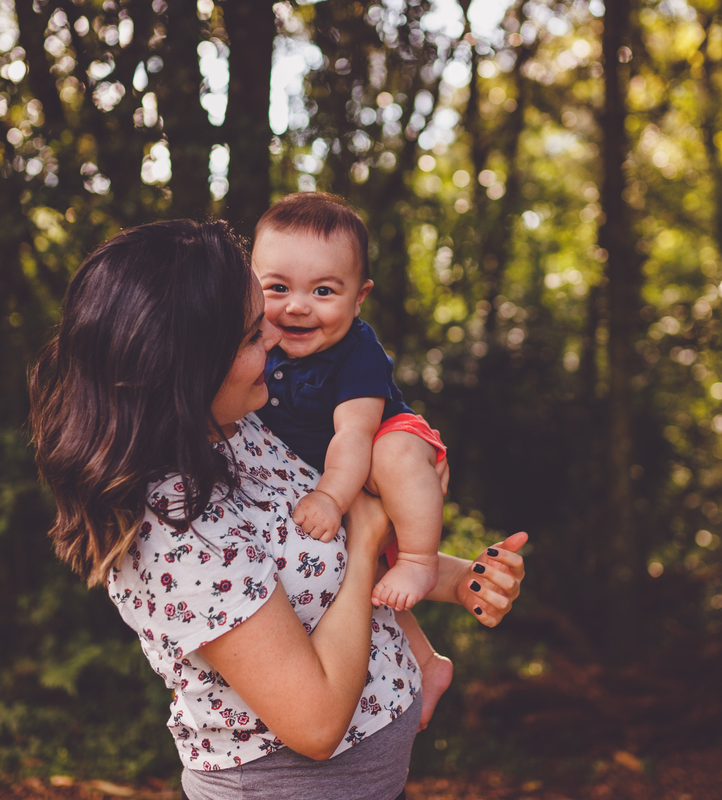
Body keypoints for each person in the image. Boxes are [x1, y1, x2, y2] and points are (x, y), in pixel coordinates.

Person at [29, 219, 525, 800]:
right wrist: (368, 543)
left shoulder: (239, 430)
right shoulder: (172, 529)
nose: (272, 337)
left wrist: (463, 578)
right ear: (187, 368)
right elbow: (315, 724)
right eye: (246, 336)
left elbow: (323, 562)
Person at [251, 192, 454, 727]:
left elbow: (352, 434)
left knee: (393, 451)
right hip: (332, 477)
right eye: (277, 288)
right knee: (362, 583)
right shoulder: (257, 347)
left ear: (360, 297)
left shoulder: (357, 350)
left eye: (323, 291)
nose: (297, 305)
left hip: (382, 445)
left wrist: (331, 495)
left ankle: (419, 560)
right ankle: (427, 663)